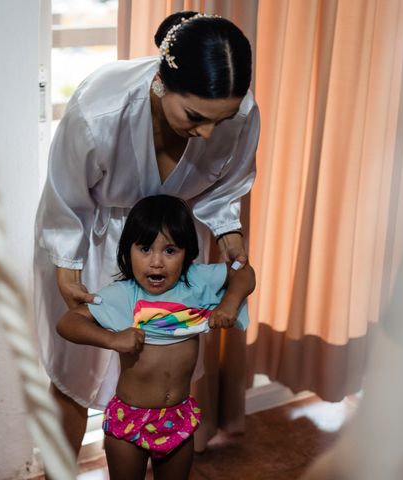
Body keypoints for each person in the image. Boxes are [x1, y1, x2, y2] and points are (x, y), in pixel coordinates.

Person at [34, 10, 260, 455]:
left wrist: (228, 229)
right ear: (161, 81)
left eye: (223, 118)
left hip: (174, 240)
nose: (210, 131)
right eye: (196, 116)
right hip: (95, 240)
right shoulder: (99, 109)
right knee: (74, 379)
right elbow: (65, 196)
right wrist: (66, 268)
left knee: (162, 365)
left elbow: (225, 187)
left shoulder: (240, 111)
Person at [56, 195, 256, 479]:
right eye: (145, 248)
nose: (157, 262)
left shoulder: (197, 281)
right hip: (129, 422)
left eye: (170, 250)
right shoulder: (123, 295)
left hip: (177, 418)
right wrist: (113, 340)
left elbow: (243, 273)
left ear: (187, 253)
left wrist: (229, 304)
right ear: (128, 251)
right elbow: (68, 322)